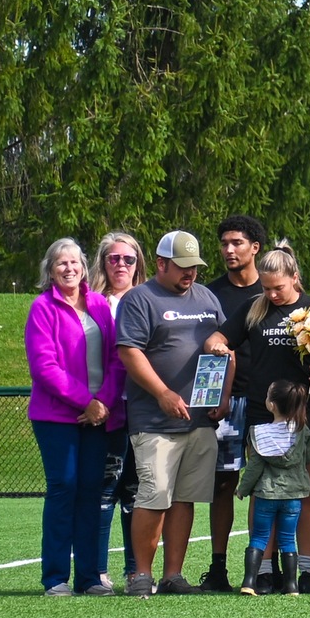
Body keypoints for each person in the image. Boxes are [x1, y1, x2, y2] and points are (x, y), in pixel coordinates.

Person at [113, 230, 232, 595]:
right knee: (154, 494)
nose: (190, 274)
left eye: (194, 267)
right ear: (161, 263)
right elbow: (129, 352)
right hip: (156, 421)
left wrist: (223, 396)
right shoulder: (140, 299)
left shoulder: (207, 296)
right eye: (182, 267)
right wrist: (162, 392)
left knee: (185, 497)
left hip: (199, 420)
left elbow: (225, 345)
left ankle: (173, 575)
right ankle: (142, 575)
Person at [27, 238, 125, 596]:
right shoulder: (42, 308)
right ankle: (55, 577)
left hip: (98, 416)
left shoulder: (99, 304)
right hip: (57, 418)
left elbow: (117, 359)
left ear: (84, 267)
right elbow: (44, 367)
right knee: (64, 488)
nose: (69, 269)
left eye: (74, 263)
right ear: (50, 271)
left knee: (89, 492)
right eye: (60, 264)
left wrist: (103, 403)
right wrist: (85, 402)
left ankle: (88, 577)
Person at [237, 248, 310, 591]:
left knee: (306, 490)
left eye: (277, 287)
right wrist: (219, 346)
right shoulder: (254, 308)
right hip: (262, 413)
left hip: (306, 412)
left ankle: (305, 572)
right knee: (263, 493)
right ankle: (264, 572)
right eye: (266, 287)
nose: (271, 294)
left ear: (294, 277)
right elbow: (219, 337)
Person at [203, 214, 268, 592]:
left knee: (266, 485)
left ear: (254, 247)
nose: (229, 250)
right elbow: (211, 348)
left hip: (266, 405)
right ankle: (218, 567)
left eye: (237, 243)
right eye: (224, 243)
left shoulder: (274, 288)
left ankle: (263, 569)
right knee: (223, 485)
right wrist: (216, 397)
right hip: (228, 406)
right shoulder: (211, 294)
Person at [92, 231, 146, 584]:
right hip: (101, 410)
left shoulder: (147, 299)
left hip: (141, 409)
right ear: (103, 263)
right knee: (103, 491)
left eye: (128, 259)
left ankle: (134, 570)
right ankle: (96, 571)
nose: (121, 265)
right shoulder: (91, 302)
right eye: (114, 259)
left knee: (135, 493)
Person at [236, 380, 310, 594]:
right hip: (292, 496)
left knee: (259, 537)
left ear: (271, 405)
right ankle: (291, 585)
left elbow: (254, 466)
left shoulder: (259, 432)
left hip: (266, 495)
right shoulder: (302, 432)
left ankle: (249, 582)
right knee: (287, 539)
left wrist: (243, 489)